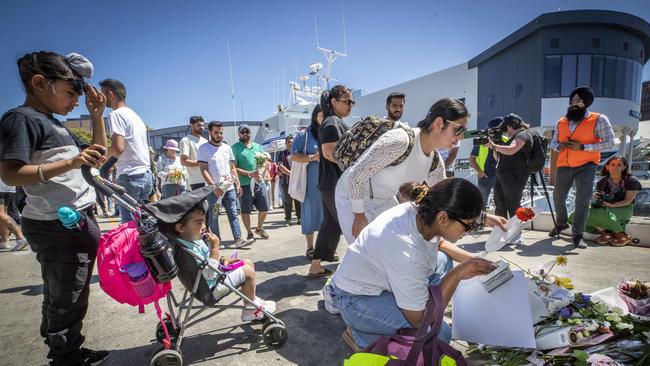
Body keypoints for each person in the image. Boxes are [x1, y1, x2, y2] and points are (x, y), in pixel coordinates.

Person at [0, 51, 109, 365]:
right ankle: (65, 356)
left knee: (69, 291)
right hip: (55, 225)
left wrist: (97, 116)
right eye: (70, 92)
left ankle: (65, 346)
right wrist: (71, 162)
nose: (75, 100)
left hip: (74, 220)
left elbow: (96, 155)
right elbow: (9, 172)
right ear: (39, 83)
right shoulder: (20, 118)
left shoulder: (55, 124)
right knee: (68, 294)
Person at [329, 178, 496, 350]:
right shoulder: (405, 251)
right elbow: (419, 319)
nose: (468, 231)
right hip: (357, 300)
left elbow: (438, 244)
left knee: (443, 260)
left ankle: (405, 308)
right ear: (443, 218)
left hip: (384, 282)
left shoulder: (423, 212)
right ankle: (362, 336)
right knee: (439, 334)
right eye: (467, 226)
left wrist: (474, 261)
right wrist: (457, 275)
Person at [335, 98, 463, 245]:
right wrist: (359, 216)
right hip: (352, 196)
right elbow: (355, 176)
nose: (461, 137)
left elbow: (443, 197)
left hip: (384, 200)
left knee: (396, 244)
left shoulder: (434, 160)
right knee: (364, 249)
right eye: (459, 129)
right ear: (439, 124)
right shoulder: (399, 141)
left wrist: (477, 217)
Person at [159, 200, 275, 321]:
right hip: (210, 289)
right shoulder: (188, 251)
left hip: (211, 280)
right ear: (180, 228)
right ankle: (250, 309)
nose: (204, 226)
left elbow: (207, 259)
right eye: (199, 222)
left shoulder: (190, 241)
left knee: (247, 262)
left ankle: (251, 301)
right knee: (248, 272)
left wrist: (223, 259)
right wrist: (215, 248)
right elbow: (209, 274)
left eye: (203, 221)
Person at [550, 86, 615, 249]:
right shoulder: (561, 121)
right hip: (564, 164)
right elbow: (554, 143)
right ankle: (562, 223)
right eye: (572, 100)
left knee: (582, 200)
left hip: (587, 165)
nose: (573, 103)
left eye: (577, 100)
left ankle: (578, 234)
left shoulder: (599, 119)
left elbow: (610, 143)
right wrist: (560, 146)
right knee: (558, 197)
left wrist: (584, 147)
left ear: (585, 103)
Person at [307, 85, 352, 277]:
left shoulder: (333, 121)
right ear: (333, 102)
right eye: (347, 101)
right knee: (350, 225)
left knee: (331, 224)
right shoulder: (332, 122)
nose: (350, 105)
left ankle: (316, 265)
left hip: (329, 183)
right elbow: (328, 152)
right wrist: (355, 162)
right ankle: (358, 267)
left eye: (352, 102)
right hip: (335, 184)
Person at [101, 78, 153, 223]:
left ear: (110, 94)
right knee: (143, 223)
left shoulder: (115, 114)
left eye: (102, 94)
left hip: (130, 176)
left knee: (129, 227)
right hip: (146, 176)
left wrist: (101, 155)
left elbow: (118, 147)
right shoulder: (135, 116)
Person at [197, 122, 253, 248]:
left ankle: (238, 239)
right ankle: (217, 242)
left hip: (229, 188)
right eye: (216, 133)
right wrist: (214, 187)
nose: (219, 135)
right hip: (214, 189)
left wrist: (237, 183)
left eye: (221, 133)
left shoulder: (227, 148)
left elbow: (232, 167)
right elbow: (203, 169)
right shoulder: (204, 148)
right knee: (214, 215)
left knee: (233, 213)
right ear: (210, 132)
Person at [572, 155, 641, 247]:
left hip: (624, 208)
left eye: (619, 165)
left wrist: (611, 205)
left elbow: (628, 201)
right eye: (612, 164)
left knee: (602, 213)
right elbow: (599, 197)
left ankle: (622, 235)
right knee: (580, 213)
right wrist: (596, 197)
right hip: (606, 206)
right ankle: (605, 233)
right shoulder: (602, 182)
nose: (615, 167)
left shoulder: (632, 181)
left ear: (624, 167)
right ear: (607, 166)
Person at [486, 114, 532, 233]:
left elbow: (511, 150)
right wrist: (494, 147)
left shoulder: (523, 135)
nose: (504, 131)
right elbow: (499, 158)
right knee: (500, 204)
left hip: (515, 176)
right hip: (503, 175)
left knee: (513, 205)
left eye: (505, 127)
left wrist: (494, 145)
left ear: (511, 126)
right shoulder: (512, 137)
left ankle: (516, 234)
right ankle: (502, 230)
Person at [292, 106, 324, 266]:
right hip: (309, 182)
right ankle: (310, 247)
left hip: (328, 181)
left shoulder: (329, 133)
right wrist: (312, 157)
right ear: (315, 116)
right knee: (310, 214)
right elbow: (294, 156)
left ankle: (326, 246)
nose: (324, 118)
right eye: (321, 115)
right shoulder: (303, 135)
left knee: (328, 215)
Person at [232, 124, 270, 240]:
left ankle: (259, 228)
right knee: (246, 210)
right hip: (244, 184)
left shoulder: (257, 146)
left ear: (250, 133)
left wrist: (261, 172)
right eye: (242, 132)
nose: (245, 134)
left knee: (264, 208)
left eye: (246, 132)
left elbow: (265, 162)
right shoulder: (234, 148)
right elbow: (233, 167)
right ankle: (249, 232)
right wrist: (249, 174)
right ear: (238, 134)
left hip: (259, 182)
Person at [469, 117, 501, 207]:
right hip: (485, 177)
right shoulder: (482, 140)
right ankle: (480, 220)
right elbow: (472, 158)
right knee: (481, 203)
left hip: (500, 176)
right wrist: (479, 171)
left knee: (500, 203)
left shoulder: (505, 139)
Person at [276, 135, 301, 226]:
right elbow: (280, 166)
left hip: (298, 180)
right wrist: (291, 174)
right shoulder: (281, 154)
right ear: (286, 143)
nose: (291, 144)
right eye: (289, 142)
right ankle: (288, 219)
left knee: (298, 199)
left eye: (292, 142)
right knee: (287, 200)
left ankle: (300, 218)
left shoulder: (298, 153)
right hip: (286, 181)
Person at [180, 116, 208, 191]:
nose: (202, 127)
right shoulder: (186, 140)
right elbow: (183, 161)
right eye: (199, 125)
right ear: (191, 126)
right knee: (200, 203)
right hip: (196, 181)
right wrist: (201, 163)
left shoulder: (205, 141)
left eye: (203, 125)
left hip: (208, 179)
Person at [0, 177, 29, 251]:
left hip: (4, 185)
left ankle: (20, 238)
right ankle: (4, 241)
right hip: (7, 185)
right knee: (3, 213)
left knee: (1, 214)